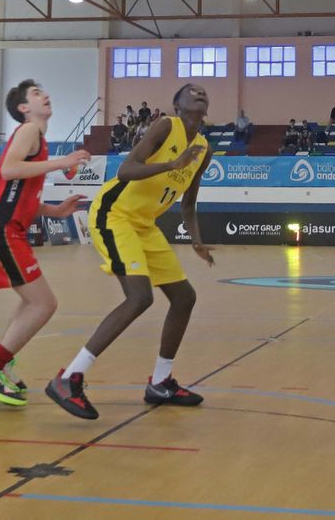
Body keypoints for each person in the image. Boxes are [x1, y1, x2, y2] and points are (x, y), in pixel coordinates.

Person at [48, 83, 215, 420]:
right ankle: (69, 378)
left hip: (144, 224)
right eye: (191, 90)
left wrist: (196, 240)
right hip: (115, 214)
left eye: (203, 91)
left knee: (184, 297)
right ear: (177, 103)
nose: (199, 92)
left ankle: (161, 382)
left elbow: (189, 203)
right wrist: (171, 164)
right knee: (140, 297)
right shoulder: (166, 125)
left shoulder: (204, 147)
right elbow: (126, 170)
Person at [0, 80, 90, 406]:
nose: (44, 95)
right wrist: (62, 163)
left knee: (30, 302)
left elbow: (20, 195)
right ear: (23, 108)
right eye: (36, 93)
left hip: (7, 229)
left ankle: (0, 365)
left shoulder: (38, 139)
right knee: (43, 304)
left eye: (43, 91)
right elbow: (8, 170)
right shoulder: (29, 130)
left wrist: (55, 211)